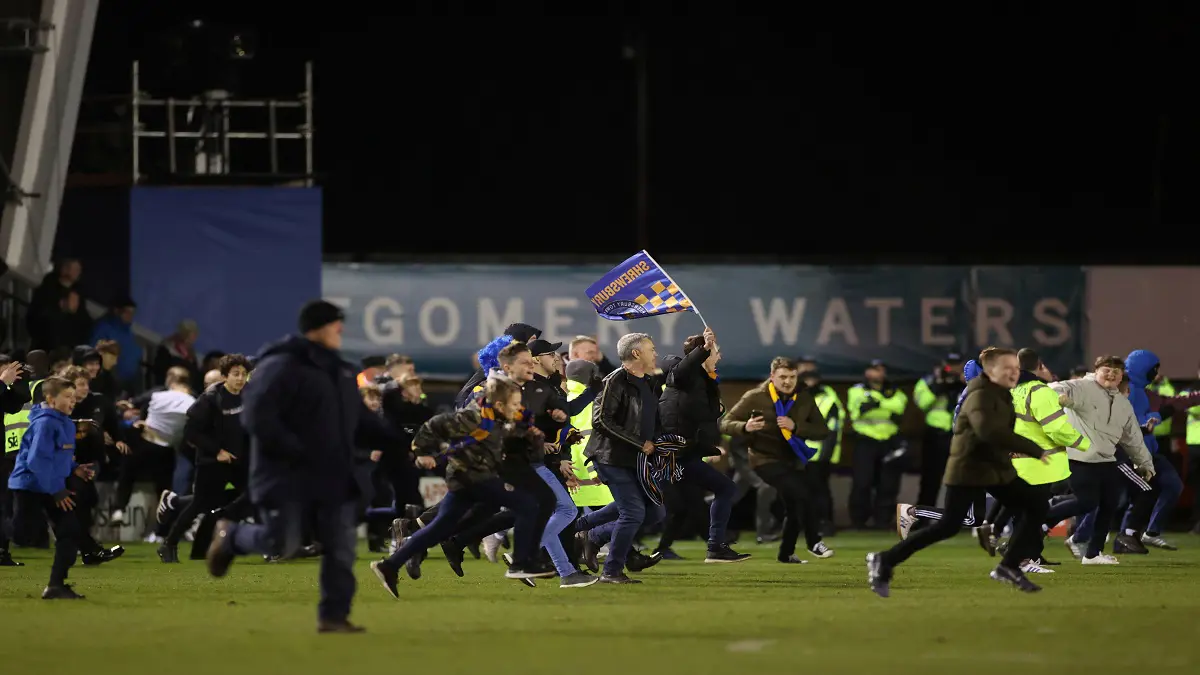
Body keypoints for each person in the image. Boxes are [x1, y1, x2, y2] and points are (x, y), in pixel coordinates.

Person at [205, 300, 403, 634]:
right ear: (318, 327)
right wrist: (294, 450)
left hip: (333, 476)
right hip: (287, 474)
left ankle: (333, 616)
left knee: (340, 547)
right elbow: (257, 416)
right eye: (336, 323)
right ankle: (232, 536)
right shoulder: (282, 365)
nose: (341, 329)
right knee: (282, 542)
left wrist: (399, 440)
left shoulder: (340, 370)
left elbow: (358, 419)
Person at [866, 347, 1053, 598]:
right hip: (969, 470)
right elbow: (988, 431)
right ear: (990, 371)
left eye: (1016, 369)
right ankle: (884, 559)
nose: (1013, 373)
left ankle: (1008, 564)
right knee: (949, 526)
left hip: (993, 469)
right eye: (1007, 368)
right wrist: (1032, 448)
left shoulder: (1000, 394)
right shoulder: (980, 395)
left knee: (1036, 504)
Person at [370, 373, 546, 597]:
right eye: (514, 403)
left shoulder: (504, 420)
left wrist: (535, 438)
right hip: (470, 477)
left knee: (440, 528)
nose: (518, 407)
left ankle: (390, 565)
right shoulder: (471, 416)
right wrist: (421, 452)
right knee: (528, 505)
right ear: (499, 403)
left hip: (472, 480)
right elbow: (433, 426)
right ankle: (519, 563)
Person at [572, 332, 664, 584]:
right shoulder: (614, 381)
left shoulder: (648, 382)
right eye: (651, 348)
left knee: (654, 512)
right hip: (610, 457)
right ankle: (611, 571)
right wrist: (640, 443)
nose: (655, 353)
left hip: (635, 460)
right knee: (633, 512)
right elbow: (601, 420)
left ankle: (584, 531)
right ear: (636, 353)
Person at [722, 356, 832, 563]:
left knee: (795, 506)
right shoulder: (755, 396)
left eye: (792, 377)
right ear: (772, 376)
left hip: (792, 458)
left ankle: (786, 553)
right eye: (782, 377)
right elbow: (725, 423)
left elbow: (823, 431)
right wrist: (744, 427)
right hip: (764, 459)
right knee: (803, 494)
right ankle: (814, 541)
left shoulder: (804, 397)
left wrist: (797, 427)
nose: (788, 382)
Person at [1048, 356, 1155, 564]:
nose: (1112, 374)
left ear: (1122, 375)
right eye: (1107, 369)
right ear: (1096, 370)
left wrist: (1145, 463)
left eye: (1117, 370)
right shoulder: (1082, 387)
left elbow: (1132, 437)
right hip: (1080, 457)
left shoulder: (1123, 403)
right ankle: (1042, 519)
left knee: (1109, 505)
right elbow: (1052, 388)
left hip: (1107, 460)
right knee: (1087, 502)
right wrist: (1059, 396)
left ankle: (1093, 554)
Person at [656, 327, 748, 563]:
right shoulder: (685, 377)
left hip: (685, 455)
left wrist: (710, 446)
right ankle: (590, 534)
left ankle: (714, 546)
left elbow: (703, 420)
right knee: (639, 508)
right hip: (672, 455)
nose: (720, 357)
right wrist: (704, 348)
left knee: (682, 506)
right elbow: (676, 368)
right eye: (716, 352)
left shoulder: (702, 382)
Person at [157, 354, 253, 562]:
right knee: (199, 505)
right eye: (235, 374)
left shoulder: (248, 396)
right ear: (225, 376)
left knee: (253, 497)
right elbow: (191, 432)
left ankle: (267, 547)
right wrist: (217, 451)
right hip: (213, 462)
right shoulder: (211, 399)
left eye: (244, 375)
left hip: (239, 462)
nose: (240, 379)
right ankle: (169, 543)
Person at [6, 377, 92, 598]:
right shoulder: (45, 423)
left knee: (70, 530)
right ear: (51, 399)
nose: (73, 401)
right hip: (30, 486)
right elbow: (37, 461)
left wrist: (74, 468)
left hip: (50, 485)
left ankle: (56, 585)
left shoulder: (64, 421)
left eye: (74, 397)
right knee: (23, 536)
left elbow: (56, 456)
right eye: (67, 397)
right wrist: (57, 490)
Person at [846, 360, 909, 529]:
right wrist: (886, 408)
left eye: (881, 370)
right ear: (867, 372)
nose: (878, 373)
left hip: (889, 441)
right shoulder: (857, 390)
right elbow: (857, 410)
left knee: (888, 483)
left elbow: (899, 406)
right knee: (862, 482)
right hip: (865, 440)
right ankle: (859, 521)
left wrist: (877, 404)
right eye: (874, 370)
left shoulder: (894, 390)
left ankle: (883, 520)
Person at [912, 354, 965, 508]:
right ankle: (924, 516)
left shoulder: (969, 381)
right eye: (950, 365)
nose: (953, 369)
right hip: (936, 434)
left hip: (961, 435)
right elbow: (922, 404)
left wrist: (966, 382)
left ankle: (960, 517)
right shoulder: (928, 382)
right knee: (930, 479)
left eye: (956, 365)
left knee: (961, 478)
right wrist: (939, 384)